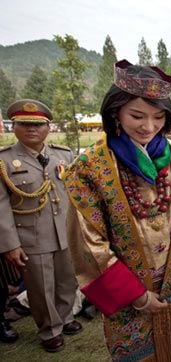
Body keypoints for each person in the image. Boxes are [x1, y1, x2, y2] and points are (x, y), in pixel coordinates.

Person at [63, 60, 171, 361]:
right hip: (130, 294)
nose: (148, 127)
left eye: (158, 117)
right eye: (137, 116)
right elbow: (89, 243)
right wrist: (137, 297)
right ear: (116, 112)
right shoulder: (89, 168)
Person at [0, 99, 82, 352]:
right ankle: (49, 330)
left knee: (67, 281)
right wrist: (11, 245)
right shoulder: (5, 161)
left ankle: (65, 318)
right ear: (13, 127)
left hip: (65, 232)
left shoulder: (63, 154)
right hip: (32, 236)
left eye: (37, 124)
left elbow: (76, 194)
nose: (31, 129)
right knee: (41, 287)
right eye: (24, 124)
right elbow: (1, 207)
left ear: (48, 127)